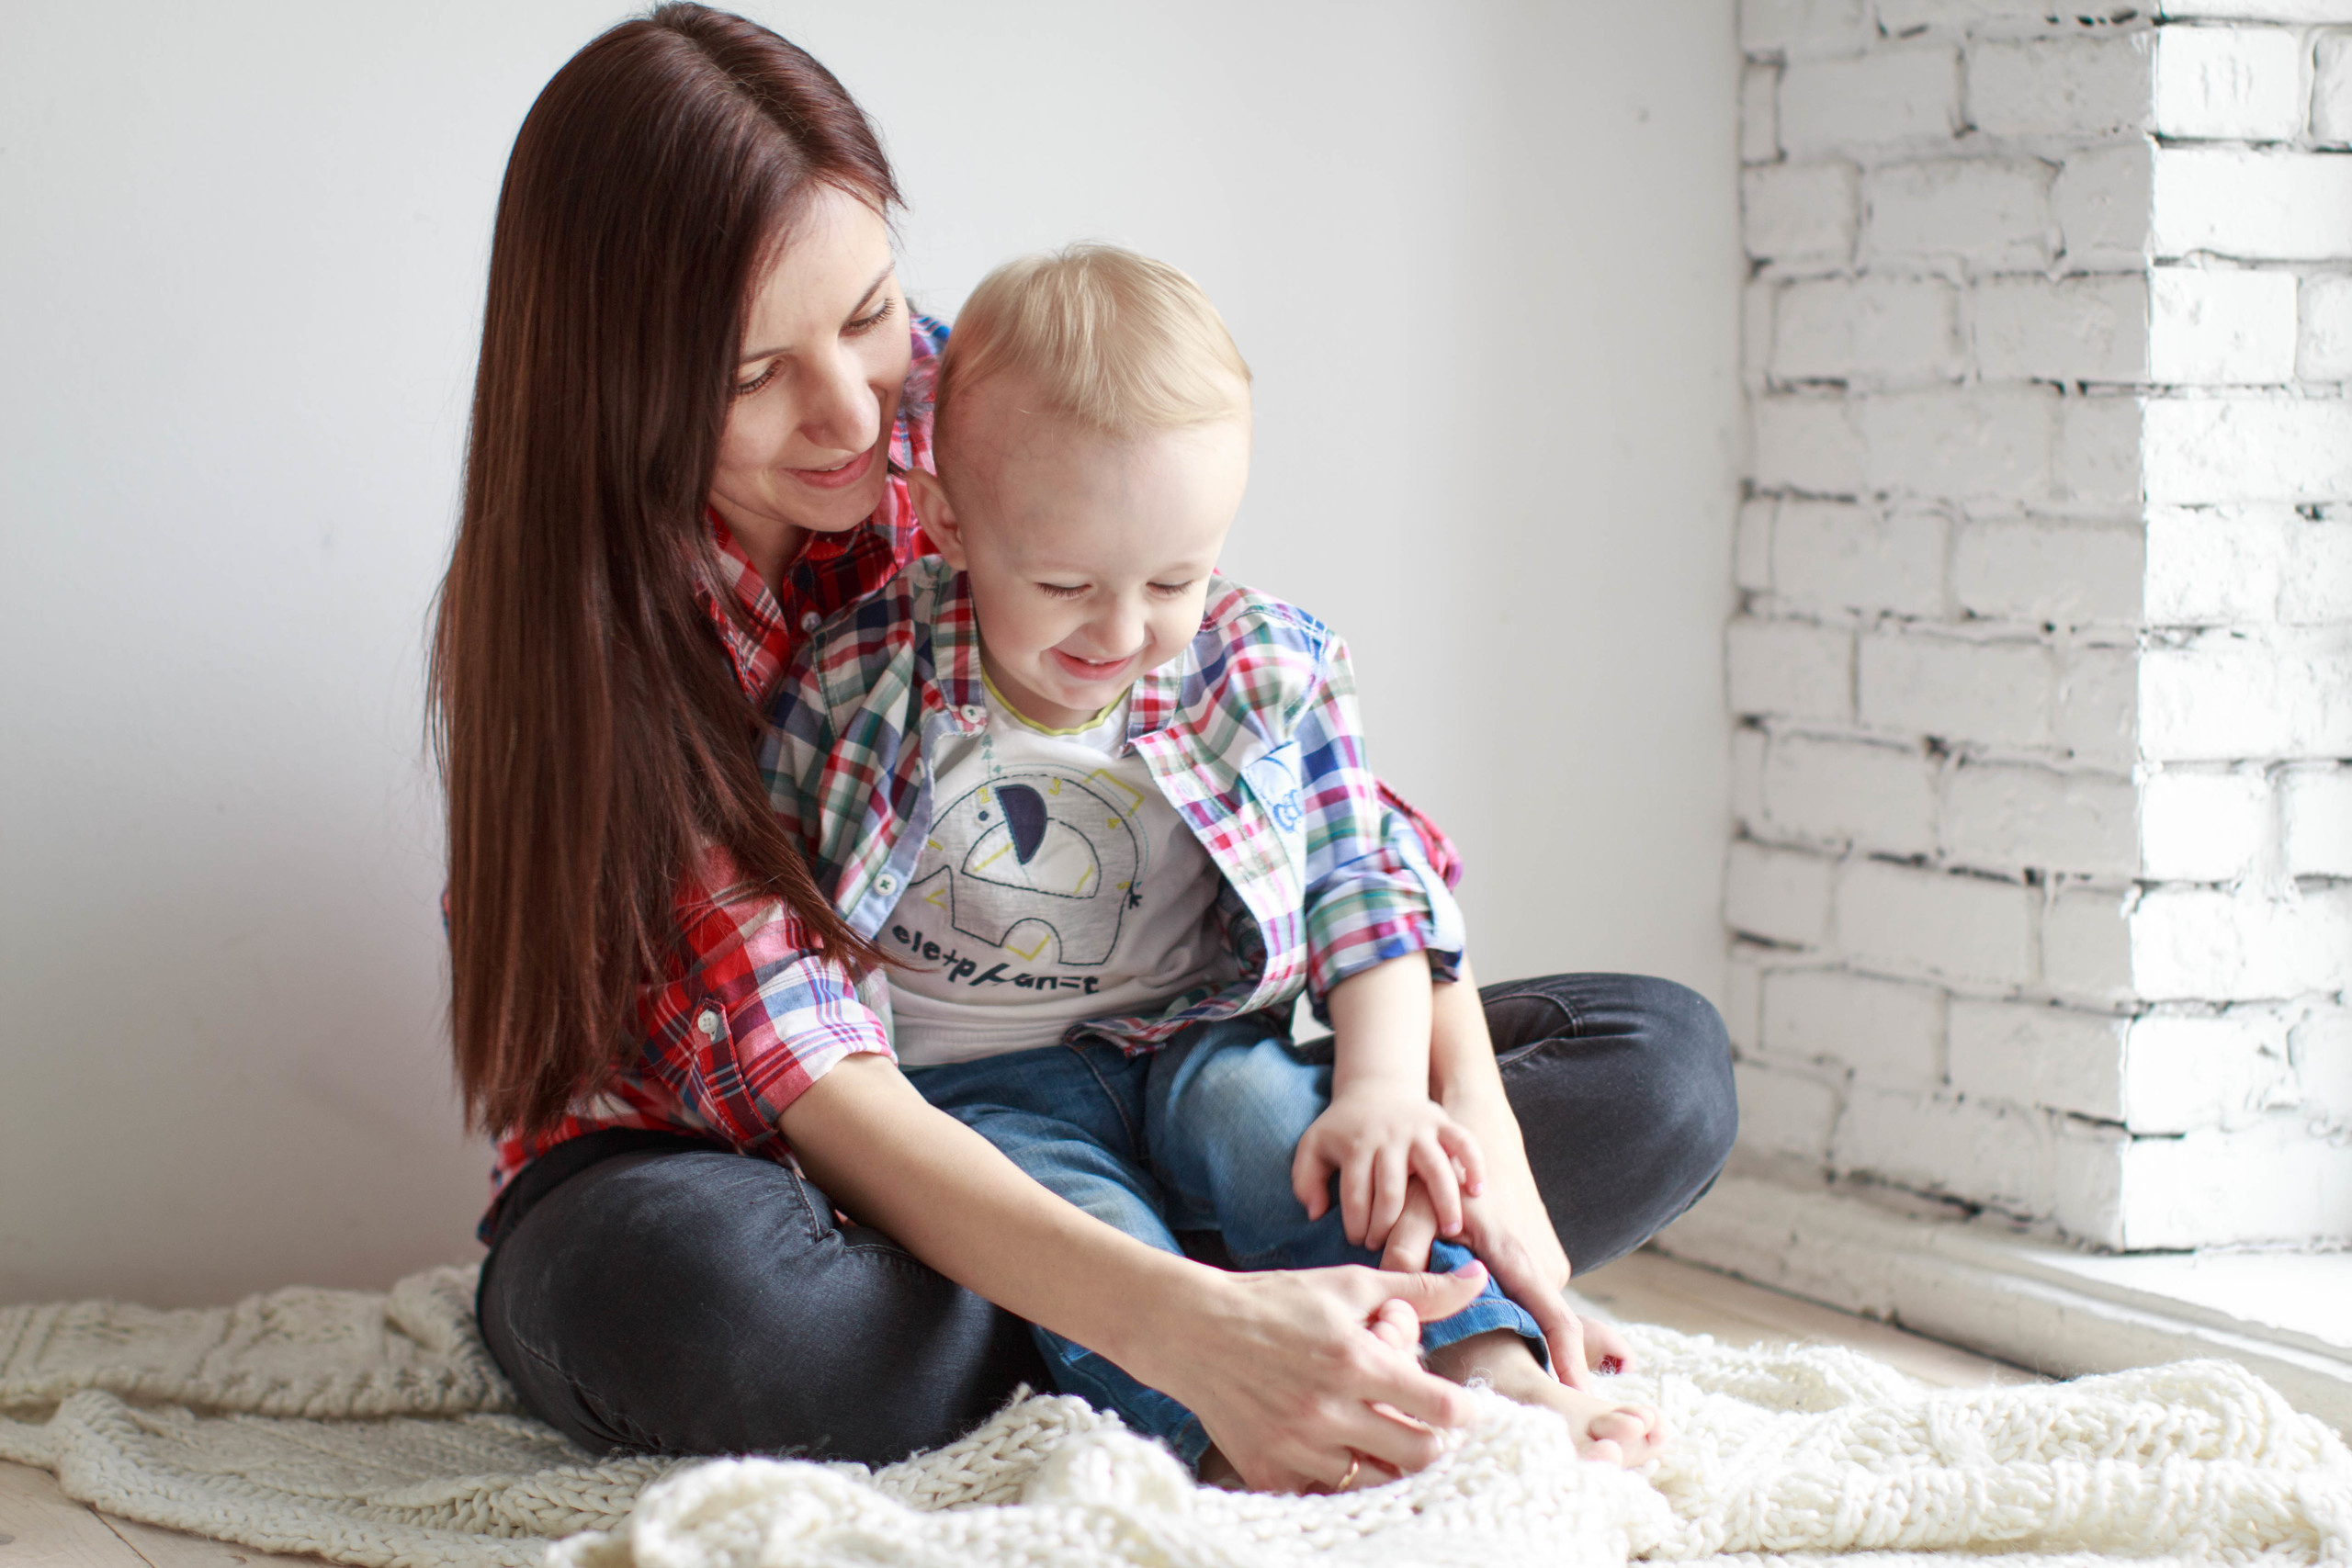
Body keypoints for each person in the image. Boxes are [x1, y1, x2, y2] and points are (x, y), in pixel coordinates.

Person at [434, 3, 1736, 1492]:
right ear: (621, 378)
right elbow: (801, 1058)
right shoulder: (598, 626)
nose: (857, 409)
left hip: (1144, 1064)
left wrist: (1472, 1142)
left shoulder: (978, 408)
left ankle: (1216, 1275)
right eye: (750, 375)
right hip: (775, 1167)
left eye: (865, 310)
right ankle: (1192, 1301)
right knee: (715, 1309)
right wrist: (1194, 1329)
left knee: (1661, 1071)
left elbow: (1296, 781)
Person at [762, 244, 1664, 1479]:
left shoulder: (1261, 668)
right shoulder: (859, 684)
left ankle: (1485, 1363)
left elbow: (1364, 879)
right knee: (1095, 1232)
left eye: (1174, 578)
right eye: (1066, 583)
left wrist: (1387, 1087)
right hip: (980, 1094)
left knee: (1288, 1140)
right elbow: (790, 951)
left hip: (1193, 1038)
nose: (1122, 631)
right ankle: (1225, 1437)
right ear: (950, 523)